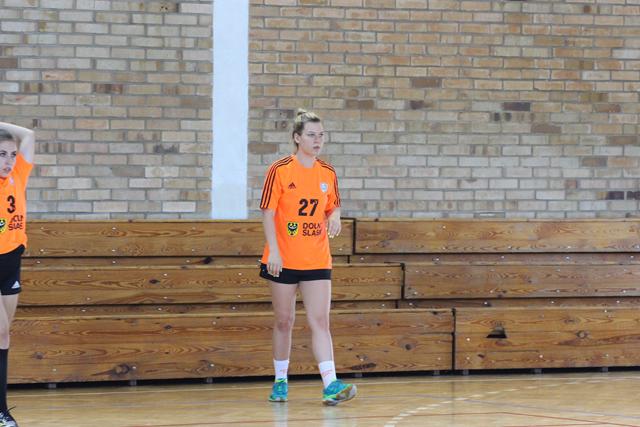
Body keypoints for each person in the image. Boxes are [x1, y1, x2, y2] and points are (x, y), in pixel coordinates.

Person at [259, 109, 356, 406]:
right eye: (311, 135)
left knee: (320, 321)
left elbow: (333, 205)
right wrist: (274, 251)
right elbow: (268, 212)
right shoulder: (280, 170)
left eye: (321, 135)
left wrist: (335, 216)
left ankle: (330, 384)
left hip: (316, 258)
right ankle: (280, 381)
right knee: (284, 320)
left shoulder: (327, 172)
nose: (317, 140)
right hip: (283, 259)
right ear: (297, 138)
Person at [0, 122, 35, 427]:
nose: (8, 161)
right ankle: (1, 412)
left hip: (11, 261)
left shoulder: (19, 175)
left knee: (3, 335)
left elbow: (29, 135)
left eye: (12, 154)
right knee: (0, 331)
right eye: (1, 154)